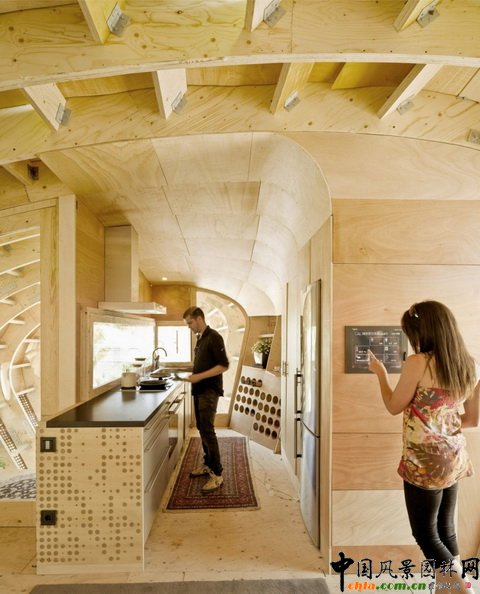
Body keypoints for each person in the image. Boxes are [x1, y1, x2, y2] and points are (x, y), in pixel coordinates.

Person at [368, 301, 479, 594]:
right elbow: (471, 420)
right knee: (446, 529)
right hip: (454, 457)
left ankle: (461, 589)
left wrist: (380, 373)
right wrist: (440, 423)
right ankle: (446, 588)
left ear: (424, 331)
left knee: (425, 533)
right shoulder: (470, 364)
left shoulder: (418, 363)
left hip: (424, 462)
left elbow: (394, 406)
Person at [183, 306, 229, 493]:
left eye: (190, 322)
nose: (189, 326)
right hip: (199, 390)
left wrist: (199, 376)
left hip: (209, 391)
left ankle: (217, 475)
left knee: (208, 431)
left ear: (199, 319)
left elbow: (223, 365)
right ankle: (208, 464)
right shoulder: (200, 338)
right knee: (202, 429)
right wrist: (193, 373)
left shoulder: (214, 337)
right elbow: (203, 364)